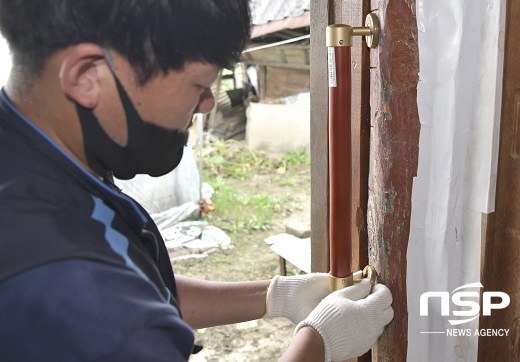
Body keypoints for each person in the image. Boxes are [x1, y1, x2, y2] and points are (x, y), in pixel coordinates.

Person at [0, 1, 393, 361]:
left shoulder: (40, 152)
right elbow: (110, 301)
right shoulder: (66, 282)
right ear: (87, 76)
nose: (207, 103)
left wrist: (275, 296)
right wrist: (318, 344)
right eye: (198, 85)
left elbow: (137, 286)